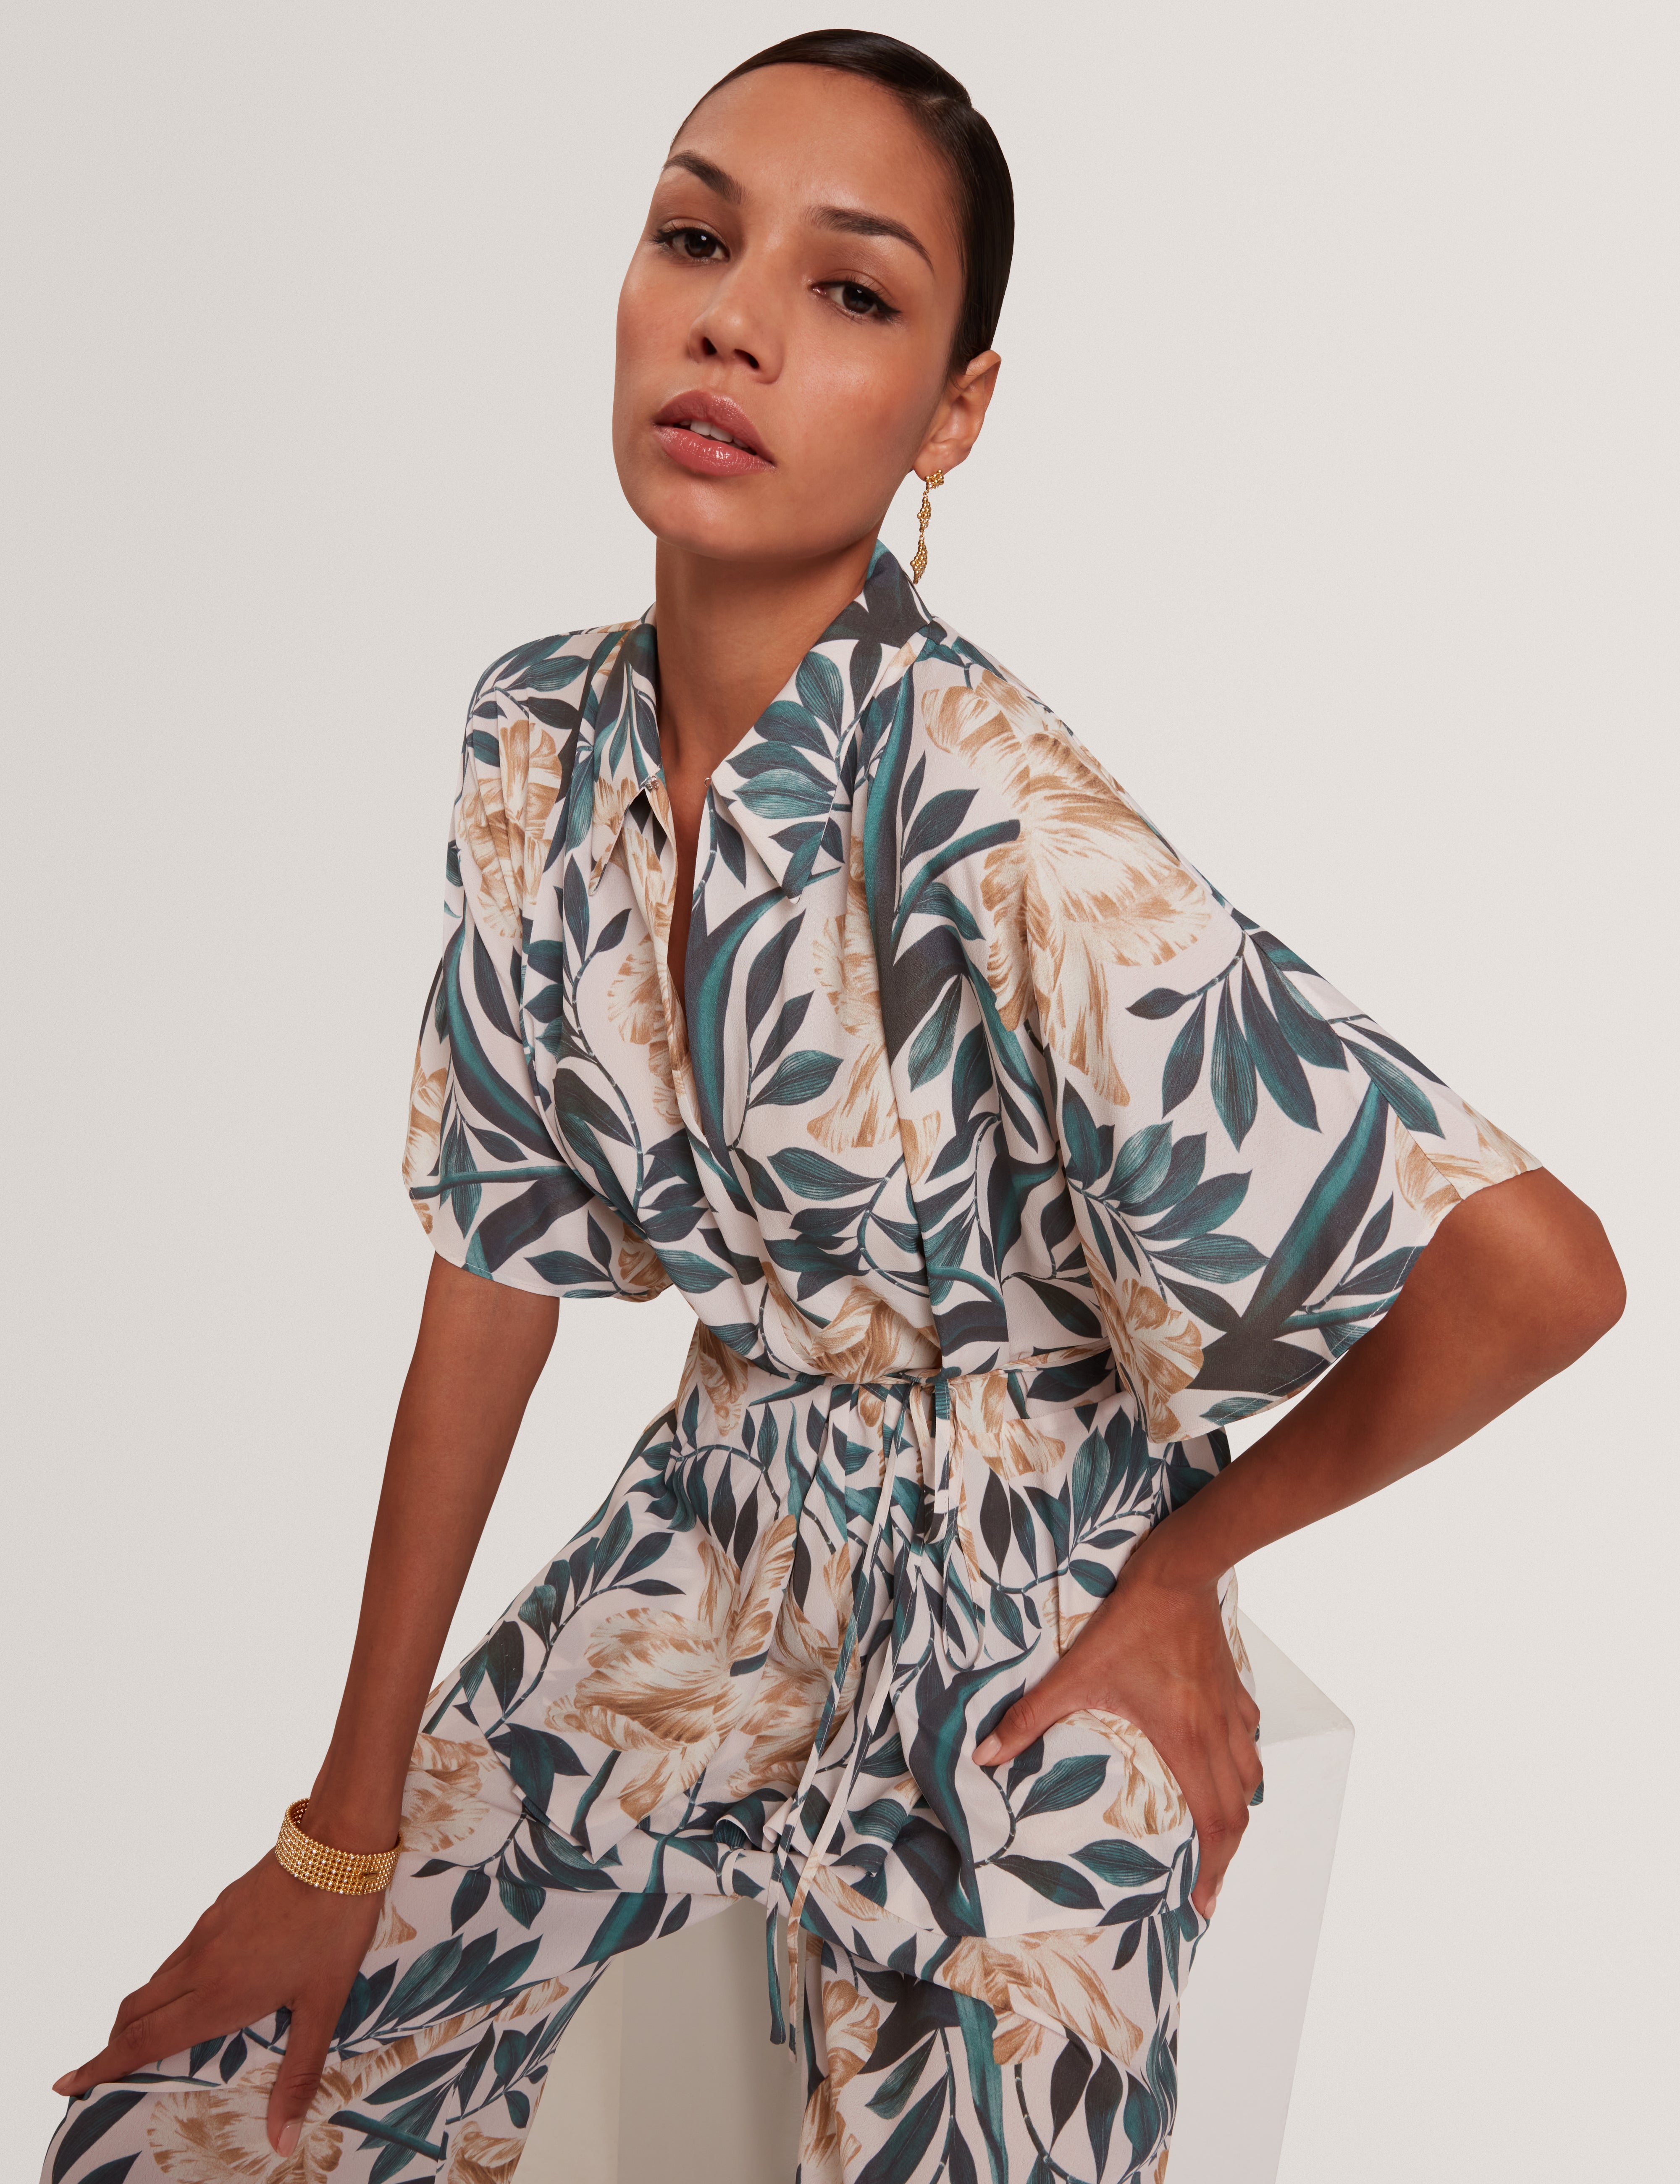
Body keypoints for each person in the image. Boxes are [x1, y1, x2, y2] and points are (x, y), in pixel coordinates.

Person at [44, 28, 1624, 2184]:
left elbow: (1538, 1274)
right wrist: (339, 1835)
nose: (735, 322)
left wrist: (1183, 1569)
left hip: (1033, 1587)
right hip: (712, 1527)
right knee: (193, 2133)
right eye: (696, 239)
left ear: (952, 410)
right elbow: (493, 1277)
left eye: (853, 289)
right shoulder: (535, 738)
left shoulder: (992, 808)